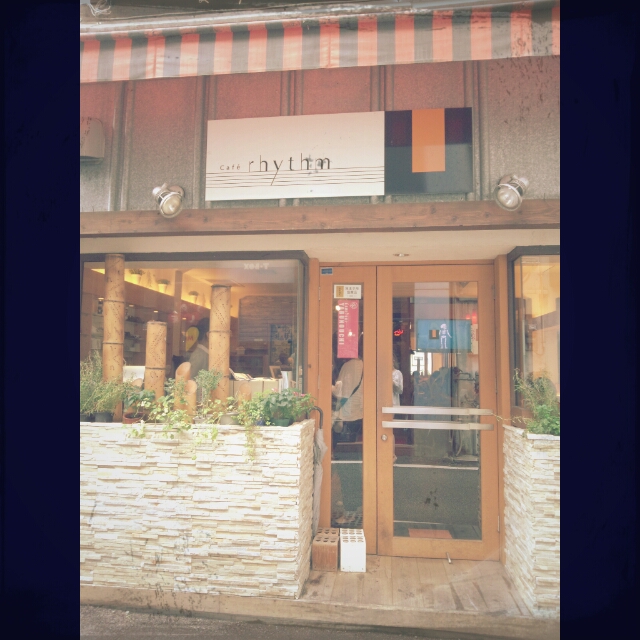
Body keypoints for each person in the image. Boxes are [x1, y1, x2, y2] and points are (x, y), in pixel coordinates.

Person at [331, 334, 364, 445]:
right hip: (359, 408)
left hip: (346, 408)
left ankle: (334, 451)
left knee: (339, 437)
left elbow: (338, 390)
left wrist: (328, 387)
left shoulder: (347, 366)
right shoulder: (364, 365)